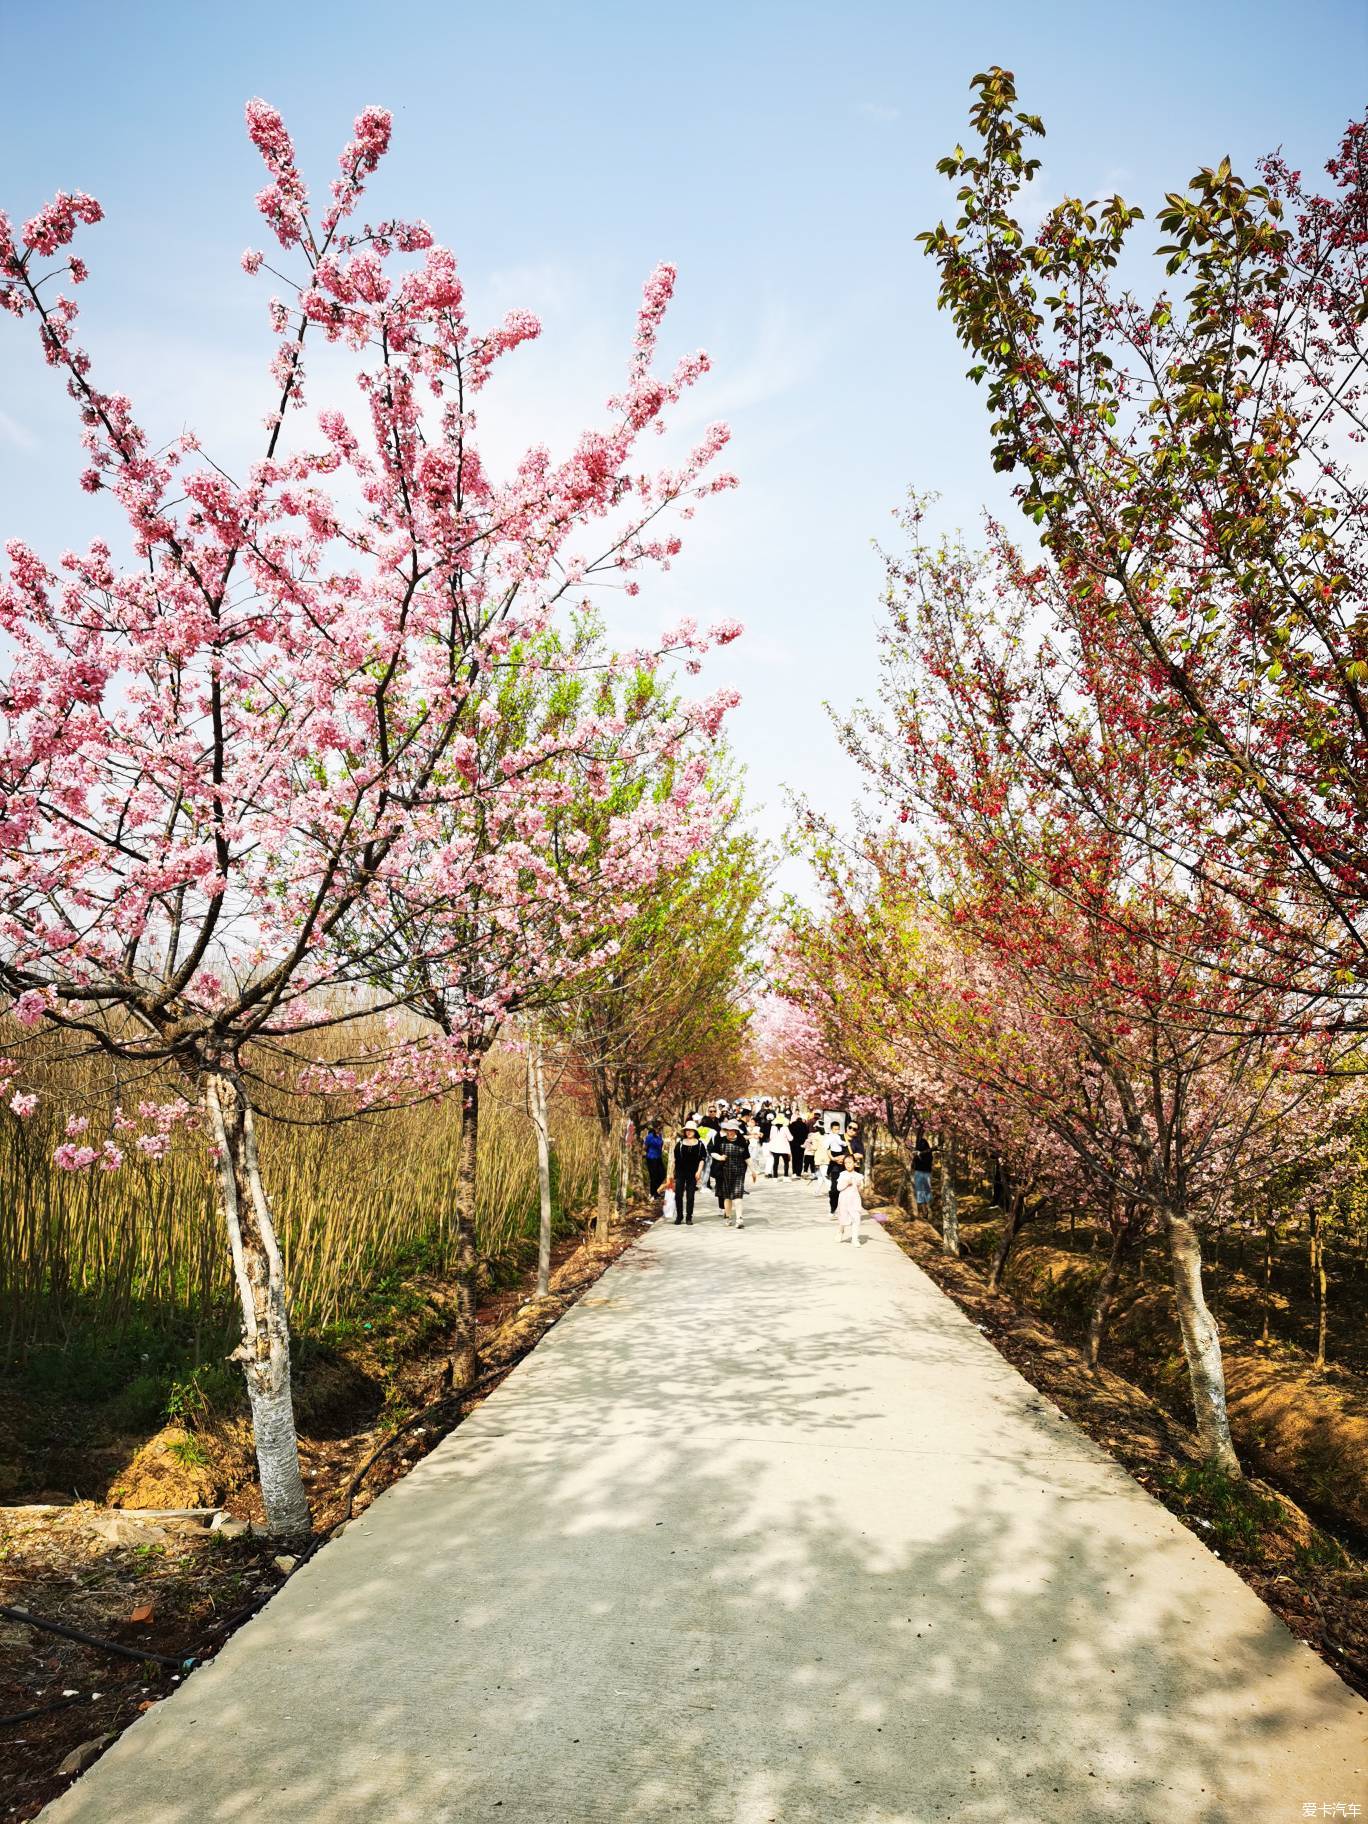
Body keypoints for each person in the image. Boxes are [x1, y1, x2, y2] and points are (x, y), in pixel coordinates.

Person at [710, 1118, 752, 1228]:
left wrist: (753, 1171)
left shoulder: (742, 1141)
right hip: (724, 1172)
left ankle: (739, 1219)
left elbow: (747, 1157)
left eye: (732, 1130)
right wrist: (719, 1157)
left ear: (736, 1131)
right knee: (727, 1197)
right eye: (727, 1130)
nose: (729, 1132)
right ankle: (728, 1217)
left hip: (739, 1172)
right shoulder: (721, 1140)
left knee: (738, 1196)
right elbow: (713, 1152)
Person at [673, 1123, 706, 1224]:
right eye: (687, 1130)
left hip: (693, 1173)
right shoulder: (680, 1143)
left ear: (695, 1131)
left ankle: (689, 1217)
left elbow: (702, 1159)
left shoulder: (700, 1144)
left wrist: (699, 1171)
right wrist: (671, 1173)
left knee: (690, 1195)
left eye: (691, 1130)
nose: (689, 1132)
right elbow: (675, 1159)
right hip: (680, 1172)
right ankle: (679, 1216)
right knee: (678, 1194)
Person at [835, 1153, 867, 1245]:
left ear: (854, 1163)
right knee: (843, 1219)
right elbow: (838, 1188)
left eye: (850, 1162)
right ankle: (840, 1231)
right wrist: (846, 1183)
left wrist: (860, 1186)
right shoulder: (842, 1174)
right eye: (846, 1163)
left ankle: (855, 1239)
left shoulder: (859, 1176)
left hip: (855, 1200)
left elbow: (861, 1189)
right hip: (844, 1200)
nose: (848, 1165)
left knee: (856, 1218)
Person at [825, 1132, 848, 1214]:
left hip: (847, 1170)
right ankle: (833, 1208)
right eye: (850, 1128)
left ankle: (845, 1211)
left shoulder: (854, 1141)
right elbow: (828, 1149)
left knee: (846, 1192)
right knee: (834, 1190)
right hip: (836, 1170)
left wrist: (843, 1157)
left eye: (855, 1129)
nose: (852, 1130)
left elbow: (859, 1154)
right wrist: (833, 1158)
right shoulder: (835, 1138)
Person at [912, 1131, 934, 1211]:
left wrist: (918, 1156)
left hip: (922, 1172)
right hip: (924, 1172)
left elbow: (917, 1162)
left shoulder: (927, 1154)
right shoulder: (926, 1153)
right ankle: (926, 1209)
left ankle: (927, 1209)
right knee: (923, 1190)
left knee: (922, 1190)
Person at [643, 1123, 666, 1197]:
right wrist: (649, 1152)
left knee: (662, 1174)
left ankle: (656, 1190)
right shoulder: (649, 1137)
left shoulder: (660, 1136)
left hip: (658, 1157)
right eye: (658, 1128)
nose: (659, 1130)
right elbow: (645, 1147)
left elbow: (661, 1144)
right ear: (654, 1128)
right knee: (653, 1176)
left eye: (660, 1128)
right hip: (651, 1158)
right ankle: (653, 1193)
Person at [787, 1112, 809, 1178]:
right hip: (801, 1144)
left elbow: (789, 1134)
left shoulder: (792, 1125)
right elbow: (806, 1134)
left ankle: (794, 1172)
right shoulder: (804, 1125)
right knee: (800, 1158)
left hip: (793, 1144)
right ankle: (799, 1173)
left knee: (794, 1158)